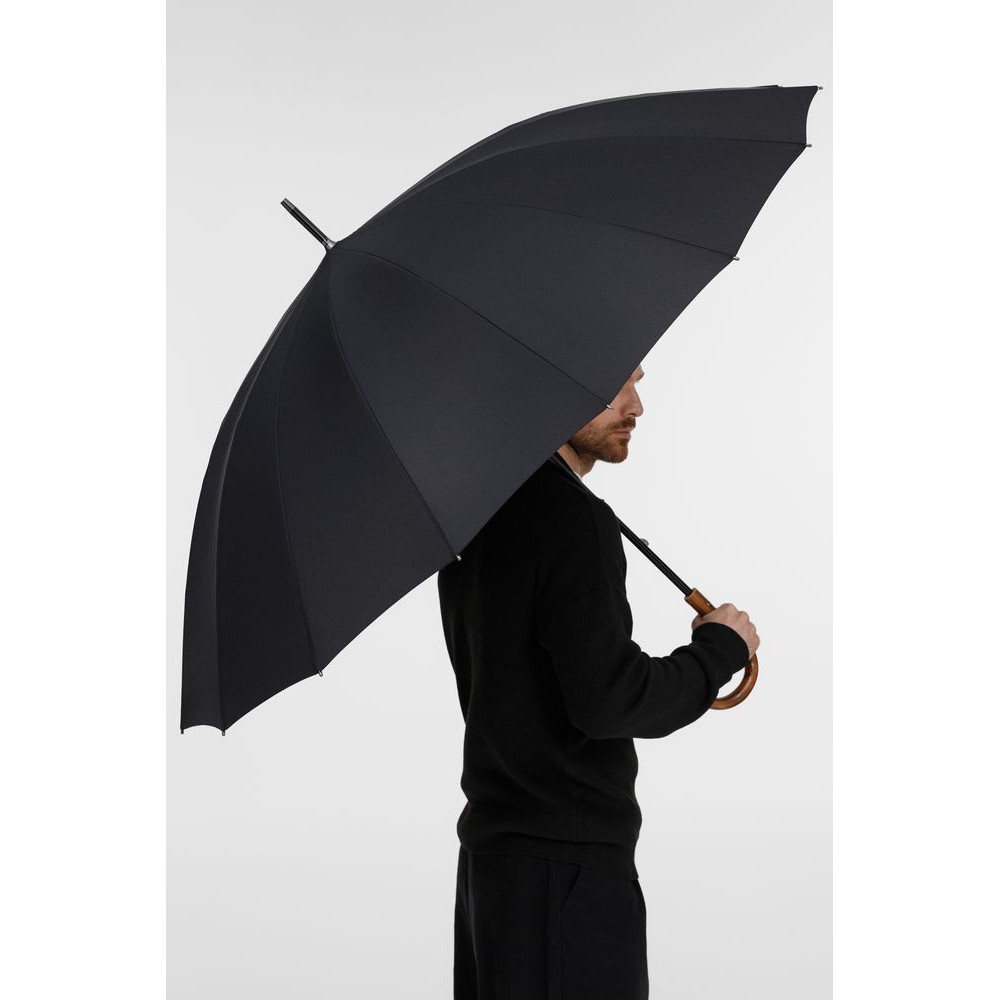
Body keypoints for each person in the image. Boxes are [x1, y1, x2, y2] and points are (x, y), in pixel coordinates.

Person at [437, 364, 760, 1000]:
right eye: (616, 386)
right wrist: (718, 650)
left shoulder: (475, 516)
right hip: (566, 875)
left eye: (637, 383)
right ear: (552, 386)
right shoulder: (571, 519)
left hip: (492, 869)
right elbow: (611, 701)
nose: (635, 407)